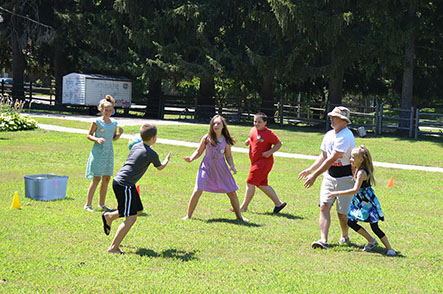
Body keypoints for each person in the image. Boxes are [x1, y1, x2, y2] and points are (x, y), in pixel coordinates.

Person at [101, 123, 172, 254]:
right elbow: (160, 167)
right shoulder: (151, 153)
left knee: (138, 210)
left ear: (140, 136)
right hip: (125, 185)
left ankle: (109, 217)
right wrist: (167, 159)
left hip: (121, 182)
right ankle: (113, 248)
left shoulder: (135, 146)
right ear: (154, 137)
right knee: (131, 218)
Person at [298, 106, 355, 249]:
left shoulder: (346, 136)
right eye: (331, 116)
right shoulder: (329, 134)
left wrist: (314, 176)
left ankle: (344, 235)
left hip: (345, 177)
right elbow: (324, 156)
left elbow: (332, 158)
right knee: (324, 206)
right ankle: (323, 240)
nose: (331, 119)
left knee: (342, 214)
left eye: (334, 117)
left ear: (343, 120)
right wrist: (310, 169)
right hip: (330, 175)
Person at [327, 145, 396, 256]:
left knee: (374, 226)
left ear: (361, 159)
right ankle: (371, 241)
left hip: (366, 201)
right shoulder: (358, 168)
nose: (351, 160)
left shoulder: (361, 173)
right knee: (350, 222)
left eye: (353, 158)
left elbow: (355, 190)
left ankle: (389, 248)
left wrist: (336, 193)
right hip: (359, 200)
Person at [182, 115, 247, 222]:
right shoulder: (207, 138)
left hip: (221, 168)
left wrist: (232, 166)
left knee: (232, 192)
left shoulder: (225, 140)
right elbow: (199, 151)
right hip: (206, 167)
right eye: (214, 123)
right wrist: (191, 158)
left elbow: (228, 155)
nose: (216, 125)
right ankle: (188, 216)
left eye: (218, 123)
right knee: (198, 190)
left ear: (223, 126)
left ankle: (239, 217)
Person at [238, 112, 286, 213]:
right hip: (255, 162)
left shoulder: (268, 133)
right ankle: (279, 204)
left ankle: (243, 207)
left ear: (265, 123)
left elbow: (278, 143)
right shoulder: (253, 130)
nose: (256, 124)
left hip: (263, 162)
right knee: (262, 184)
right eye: (255, 121)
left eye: (259, 122)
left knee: (250, 182)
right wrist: (248, 141)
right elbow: (252, 138)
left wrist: (270, 152)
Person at [84, 95, 123, 212]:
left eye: (110, 110)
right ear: (101, 110)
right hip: (98, 153)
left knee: (106, 179)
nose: (108, 112)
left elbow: (113, 138)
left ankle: (102, 204)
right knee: (97, 178)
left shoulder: (114, 123)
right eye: (106, 110)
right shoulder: (97, 122)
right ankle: (88, 205)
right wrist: (97, 139)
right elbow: (88, 135)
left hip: (108, 153)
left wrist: (119, 134)